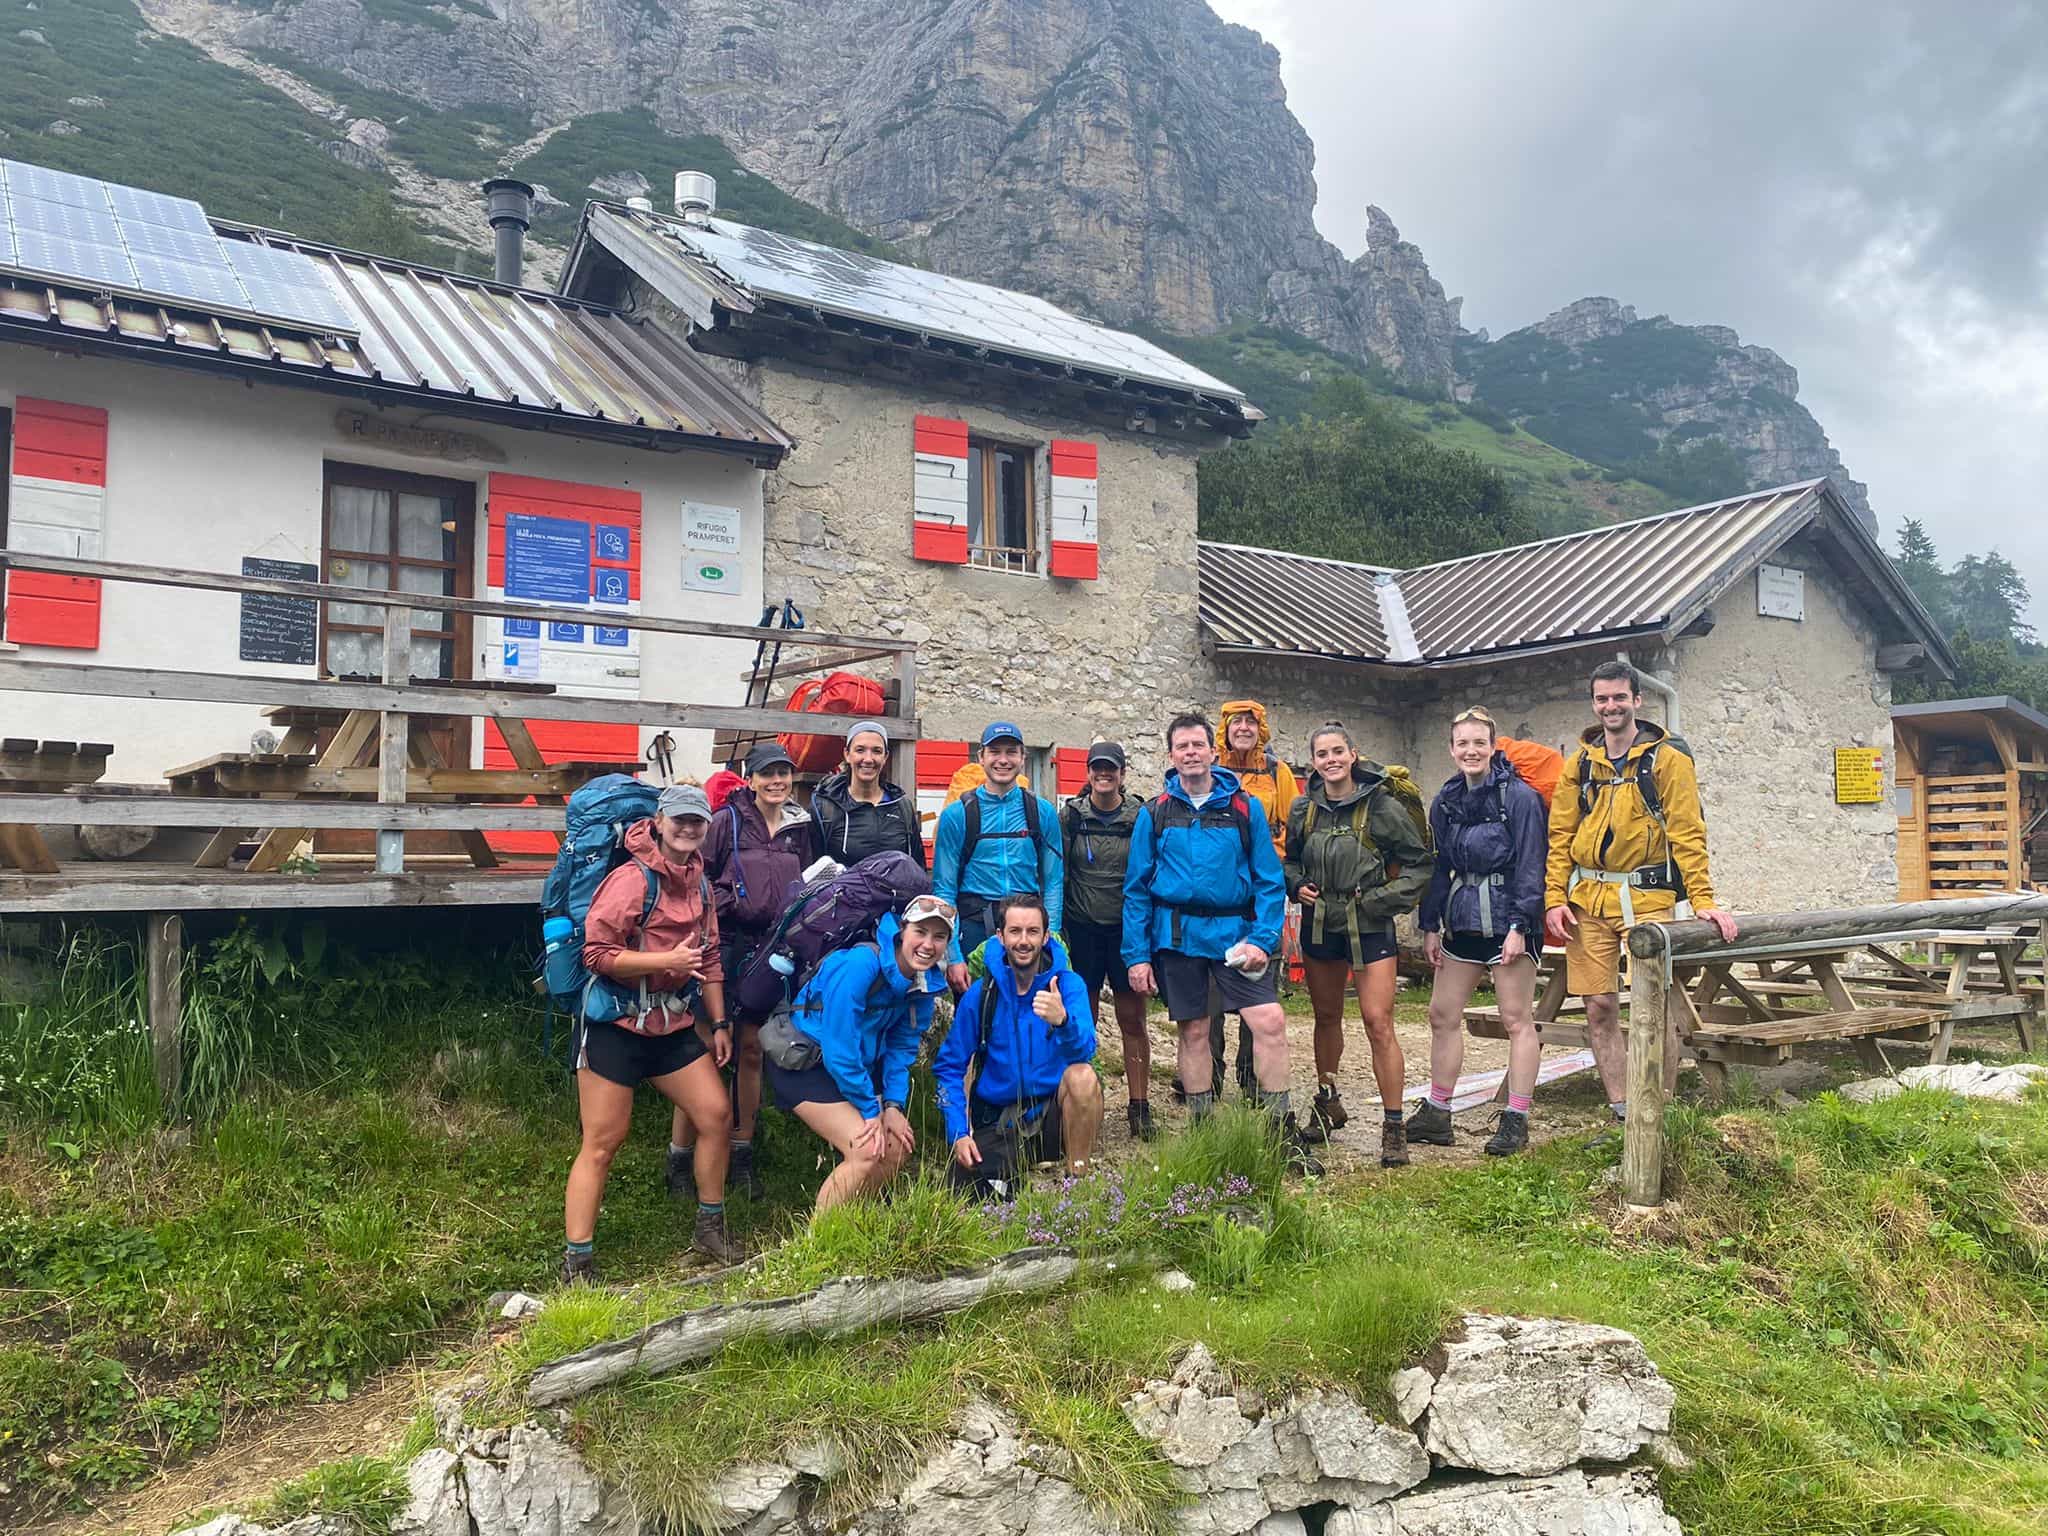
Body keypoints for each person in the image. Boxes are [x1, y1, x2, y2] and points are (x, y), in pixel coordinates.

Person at [1544, 660, 1739, 1127]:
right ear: (1595, 703)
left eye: (1619, 697)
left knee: (1654, 1006)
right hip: (1587, 899)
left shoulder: (1667, 759)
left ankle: (1658, 1111)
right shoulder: (1582, 763)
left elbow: (1688, 832)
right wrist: (1554, 897)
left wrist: (1703, 900)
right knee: (1599, 1006)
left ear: (1637, 700)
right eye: (1602, 698)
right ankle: (1622, 1112)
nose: (1611, 706)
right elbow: (1560, 833)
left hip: (1647, 899)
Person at [1123, 713, 1317, 1167]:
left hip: (1236, 939)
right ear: (1171, 756)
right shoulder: (1155, 813)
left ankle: (1279, 1134)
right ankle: (1203, 1132)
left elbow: (1269, 882)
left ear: (1213, 752)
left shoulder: (1243, 808)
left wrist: (1262, 938)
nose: (1191, 753)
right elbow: (1136, 891)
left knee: (1268, 1021)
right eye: (1182, 746)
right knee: (1194, 1032)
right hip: (1179, 938)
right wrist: (1137, 956)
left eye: (1198, 745)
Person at [564, 783, 738, 1282]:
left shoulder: (700, 883)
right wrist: (666, 960)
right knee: (603, 1141)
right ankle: (577, 1262)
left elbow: (710, 959)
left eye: (697, 822)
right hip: (615, 1025)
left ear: (706, 829)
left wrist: (720, 1022)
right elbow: (595, 955)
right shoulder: (630, 879)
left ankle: (709, 1229)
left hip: (671, 1024)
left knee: (715, 1114)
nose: (687, 829)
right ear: (658, 823)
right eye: (679, 820)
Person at [670, 740, 818, 1202]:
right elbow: (697, 877)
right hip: (727, 944)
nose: (777, 781)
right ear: (750, 778)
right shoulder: (725, 822)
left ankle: (742, 1153)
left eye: (784, 773)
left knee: (752, 1051)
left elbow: (812, 879)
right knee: (701, 1051)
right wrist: (729, 900)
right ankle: (679, 1156)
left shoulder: (800, 826)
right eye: (767, 773)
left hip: (776, 948)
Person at [1282, 722, 1432, 1165]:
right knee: (1325, 1016)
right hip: (1320, 924)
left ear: (1353, 754)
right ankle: (1328, 1102)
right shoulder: (1303, 809)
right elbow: (1290, 861)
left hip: (1367, 926)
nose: (1330, 760)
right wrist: (1297, 885)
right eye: (1322, 754)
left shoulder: (1382, 807)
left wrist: (1380, 901)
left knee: (1377, 1021)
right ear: (1313, 762)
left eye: (1337, 752)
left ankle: (1393, 1125)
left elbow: (1419, 866)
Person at [1413, 707, 1548, 1157]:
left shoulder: (1520, 799)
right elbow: (1439, 866)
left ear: (1493, 746)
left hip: (1509, 919)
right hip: (1462, 921)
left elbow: (1531, 865)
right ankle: (1437, 1112)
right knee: (1441, 1013)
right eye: (1462, 744)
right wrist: (1429, 924)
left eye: (1479, 743)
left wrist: (1520, 926)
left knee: (1516, 1019)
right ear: (1451, 750)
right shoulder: (1447, 800)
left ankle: (1516, 1118)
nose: (1471, 751)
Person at [766, 894, 956, 1213]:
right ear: (902, 931)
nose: (928, 944)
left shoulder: (924, 985)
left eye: (939, 937)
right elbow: (839, 1047)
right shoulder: (860, 966)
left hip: (855, 1069)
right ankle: (818, 1247)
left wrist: (893, 1105)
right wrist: (871, 1109)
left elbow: (902, 1049)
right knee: (867, 1150)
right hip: (806, 1063)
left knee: (897, 1148)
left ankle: (851, 1224)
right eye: (920, 932)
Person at [936, 894, 1101, 1194]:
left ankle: (1077, 1182)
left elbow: (1086, 1052)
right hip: (999, 1122)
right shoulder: (982, 994)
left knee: (1083, 1077)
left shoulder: (1068, 986)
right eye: (1015, 931)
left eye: (1032, 931)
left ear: (1046, 936)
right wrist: (958, 1132)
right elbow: (950, 1066)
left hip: (1053, 1116)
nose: (1023, 941)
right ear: (1000, 937)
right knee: (968, 1194)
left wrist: (1063, 1022)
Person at [1058, 742, 1154, 1139]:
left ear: (1122, 773)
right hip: (1081, 929)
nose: (1104, 775)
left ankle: (1139, 1105)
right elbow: (1058, 869)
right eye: (1097, 768)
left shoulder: (1140, 816)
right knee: (1086, 1018)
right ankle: (1086, 1100)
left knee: (1133, 1019)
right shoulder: (1071, 817)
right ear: (1087, 772)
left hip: (1126, 930)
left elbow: (1149, 871)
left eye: (1111, 769)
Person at [1208, 701, 1301, 1098]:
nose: (1243, 728)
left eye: (1250, 721)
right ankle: (1207, 1076)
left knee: (1257, 978)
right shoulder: (1210, 770)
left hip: (1260, 892)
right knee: (1209, 982)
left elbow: (1293, 826)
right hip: (1215, 892)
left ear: (1260, 728)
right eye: (1236, 722)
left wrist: (1281, 868)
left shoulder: (1276, 772)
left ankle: (1251, 1077)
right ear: (1224, 729)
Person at [932, 722, 1064, 993]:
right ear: (981, 757)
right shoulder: (957, 815)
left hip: (1026, 927)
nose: (1003, 760)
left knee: (1029, 1014)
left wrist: (1052, 937)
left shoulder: (1041, 812)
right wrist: (954, 956)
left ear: (1023, 758)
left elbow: (1053, 881)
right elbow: (944, 888)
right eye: (995, 752)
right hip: (974, 926)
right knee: (975, 1018)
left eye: (1011, 752)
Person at [811, 720, 926, 865]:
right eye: (860, 750)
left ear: (885, 757)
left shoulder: (902, 807)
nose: (868, 759)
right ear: (847, 754)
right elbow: (811, 871)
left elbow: (916, 868)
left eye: (876, 751)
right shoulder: (825, 807)